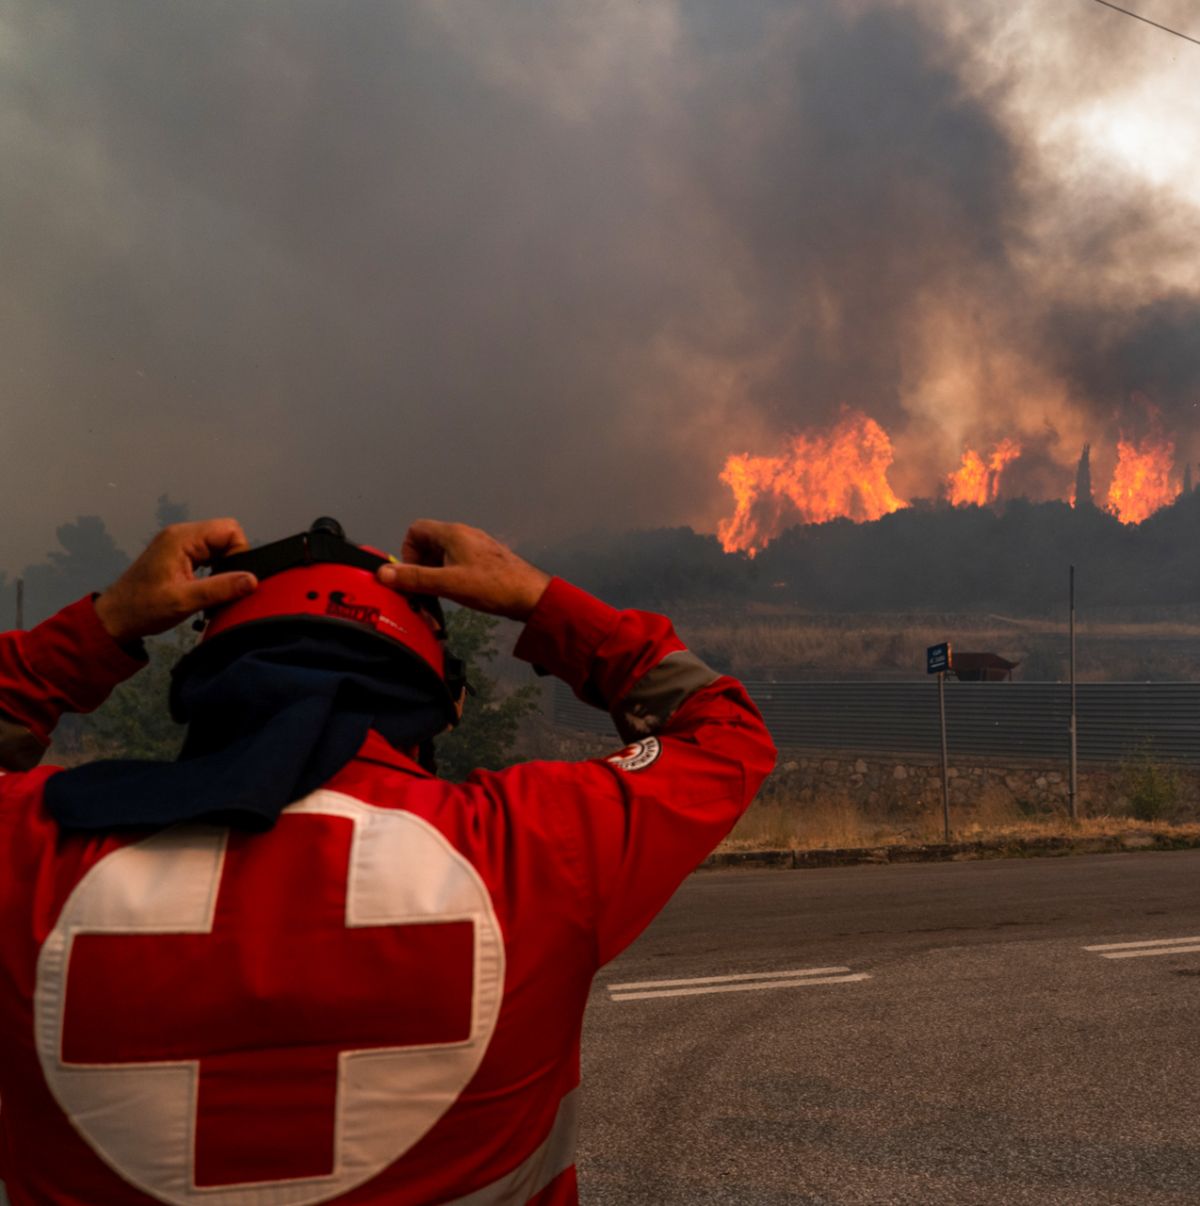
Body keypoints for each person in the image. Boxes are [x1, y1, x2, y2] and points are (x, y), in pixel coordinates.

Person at [0, 515, 776, 1205]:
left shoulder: (30, 848)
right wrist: (537, 599)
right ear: (450, 704)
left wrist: (97, 629)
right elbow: (724, 734)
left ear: (198, 687)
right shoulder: (537, 843)